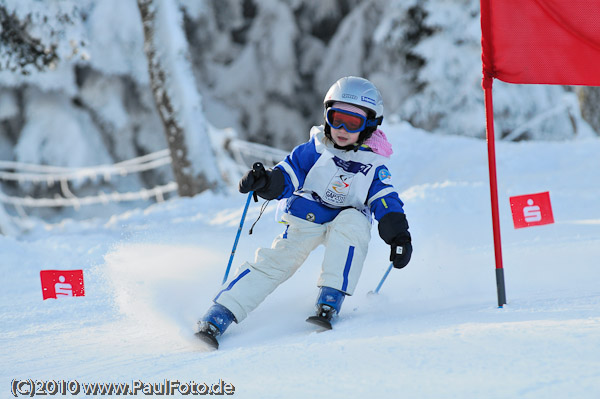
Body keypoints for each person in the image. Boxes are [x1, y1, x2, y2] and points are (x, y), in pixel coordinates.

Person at [196, 76, 412, 349]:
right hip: (307, 217)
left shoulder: (373, 163)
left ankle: (330, 298)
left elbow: (385, 200)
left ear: (369, 125)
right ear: (327, 116)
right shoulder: (315, 149)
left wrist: (398, 236)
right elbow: (288, 175)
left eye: (353, 122)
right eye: (336, 118)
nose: (342, 129)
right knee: (277, 261)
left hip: (348, 217)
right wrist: (266, 182)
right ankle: (221, 313)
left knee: (354, 224)